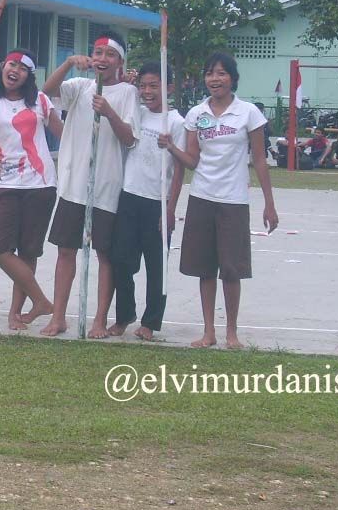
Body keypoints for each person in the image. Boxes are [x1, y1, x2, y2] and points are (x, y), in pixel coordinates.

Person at [164, 51, 279, 348]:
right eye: (210, 73)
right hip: (202, 197)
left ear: (232, 78)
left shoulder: (248, 113)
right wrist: (170, 147)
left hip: (234, 200)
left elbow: (260, 160)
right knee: (205, 269)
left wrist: (269, 203)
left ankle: (232, 332)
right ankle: (208, 332)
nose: (215, 79)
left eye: (221, 73)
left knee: (231, 269)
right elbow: (191, 161)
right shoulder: (196, 115)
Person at [39, 34, 139, 338]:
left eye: (110, 54)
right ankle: (58, 317)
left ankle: (98, 320)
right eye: (98, 52)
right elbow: (46, 93)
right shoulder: (80, 86)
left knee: (103, 254)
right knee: (66, 250)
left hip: (106, 185)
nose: (103, 59)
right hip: (74, 183)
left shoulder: (127, 93)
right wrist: (69, 63)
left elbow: (130, 138)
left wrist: (109, 112)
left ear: (120, 62)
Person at [0, 48, 62, 330]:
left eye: (22, 68)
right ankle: (41, 300)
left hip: (41, 184)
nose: (15, 70)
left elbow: (63, 133)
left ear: (28, 76)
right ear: (3, 68)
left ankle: (15, 313)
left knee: (28, 251)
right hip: (8, 184)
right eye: (11, 64)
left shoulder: (40, 101)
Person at [109, 62, 185, 340]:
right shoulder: (137, 113)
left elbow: (179, 170)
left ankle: (150, 322)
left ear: (169, 88)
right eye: (143, 86)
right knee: (121, 260)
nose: (147, 91)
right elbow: (118, 98)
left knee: (156, 268)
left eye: (154, 86)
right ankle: (124, 314)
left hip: (156, 202)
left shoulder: (176, 122)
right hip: (129, 196)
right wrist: (127, 82)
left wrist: (170, 208)